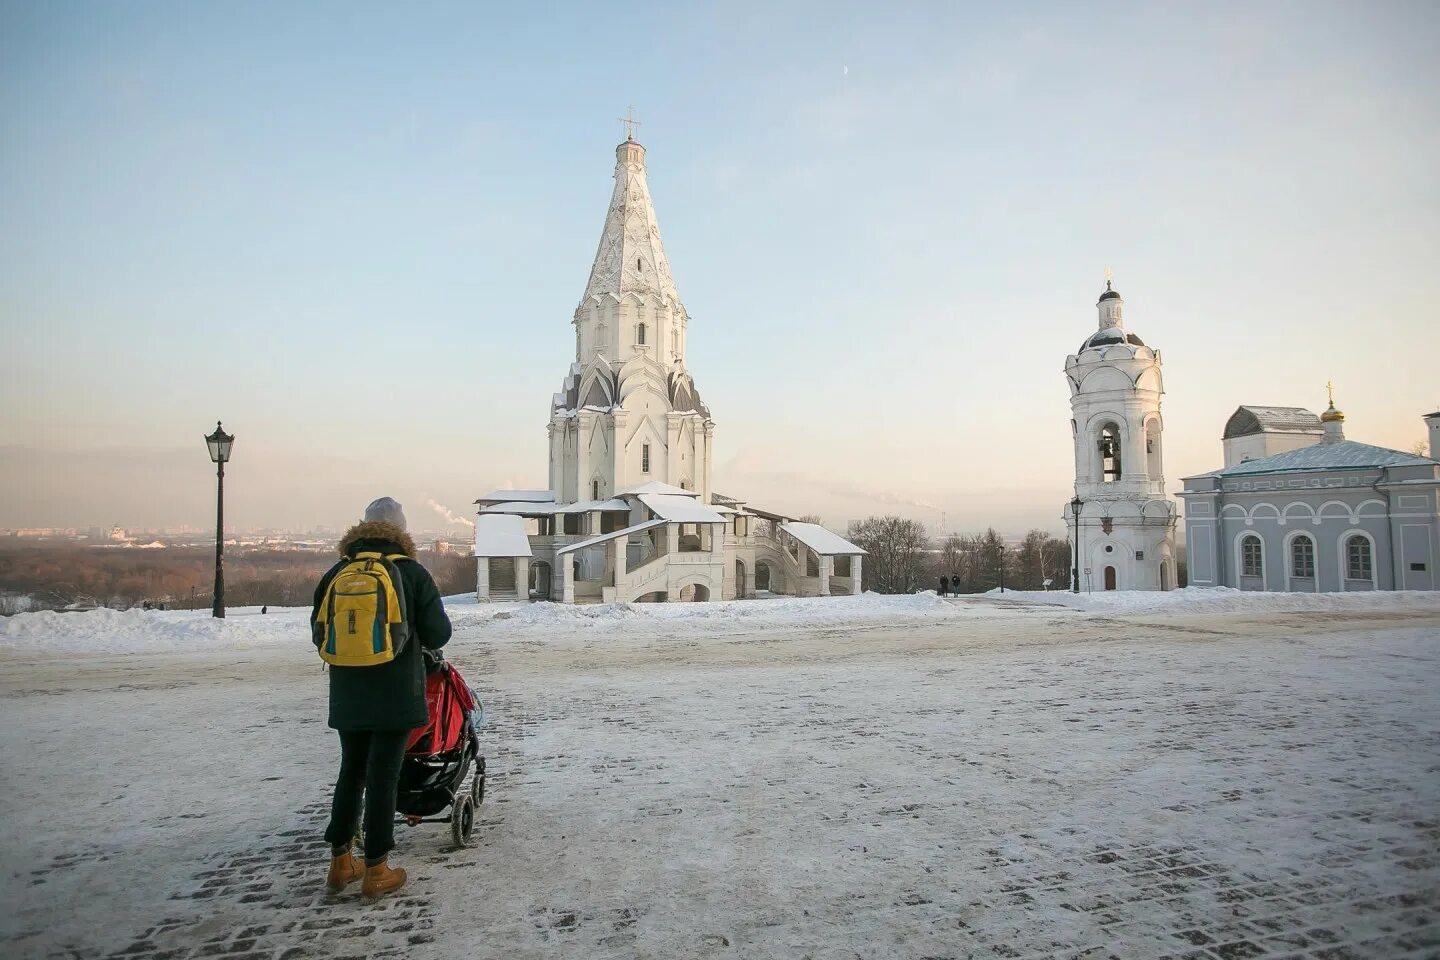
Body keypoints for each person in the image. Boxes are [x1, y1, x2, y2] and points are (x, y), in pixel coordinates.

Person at [312, 497, 452, 899]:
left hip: (348, 693)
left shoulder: (339, 571)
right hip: (396, 692)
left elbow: (319, 631)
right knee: (383, 775)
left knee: (351, 770)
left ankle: (340, 862)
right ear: (400, 530)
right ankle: (376, 867)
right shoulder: (411, 573)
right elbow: (439, 633)